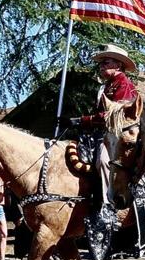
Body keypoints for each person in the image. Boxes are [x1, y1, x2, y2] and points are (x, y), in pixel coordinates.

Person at [59, 44, 139, 239]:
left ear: (118, 65)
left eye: (106, 63)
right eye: (101, 63)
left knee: (103, 160)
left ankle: (107, 206)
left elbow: (113, 116)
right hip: (99, 133)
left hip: (117, 136)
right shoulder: (106, 86)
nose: (102, 66)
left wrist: (81, 120)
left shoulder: (125, 85)